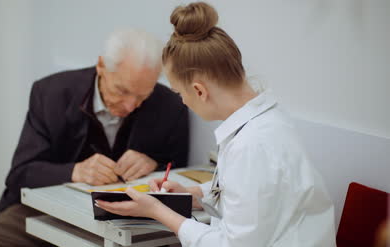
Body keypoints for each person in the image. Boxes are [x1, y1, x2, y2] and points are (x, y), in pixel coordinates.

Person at [95, 2, 336, 246]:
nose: (183, 102)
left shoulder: (252, 145)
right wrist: (196, 195)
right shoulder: (265, 121)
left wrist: (158, 211)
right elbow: (255, 195)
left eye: (180, 93)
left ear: (199, 91)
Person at [0, 29, 189, 246]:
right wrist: (76, 171)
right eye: (122, 91)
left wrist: (154, 164)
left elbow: (179, 173)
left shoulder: (170, 106)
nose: (130, 105)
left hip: (128, 219)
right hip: (44, 209)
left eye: (142, 96)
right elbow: (20, 174)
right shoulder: (51, 94)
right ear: (101, 66)